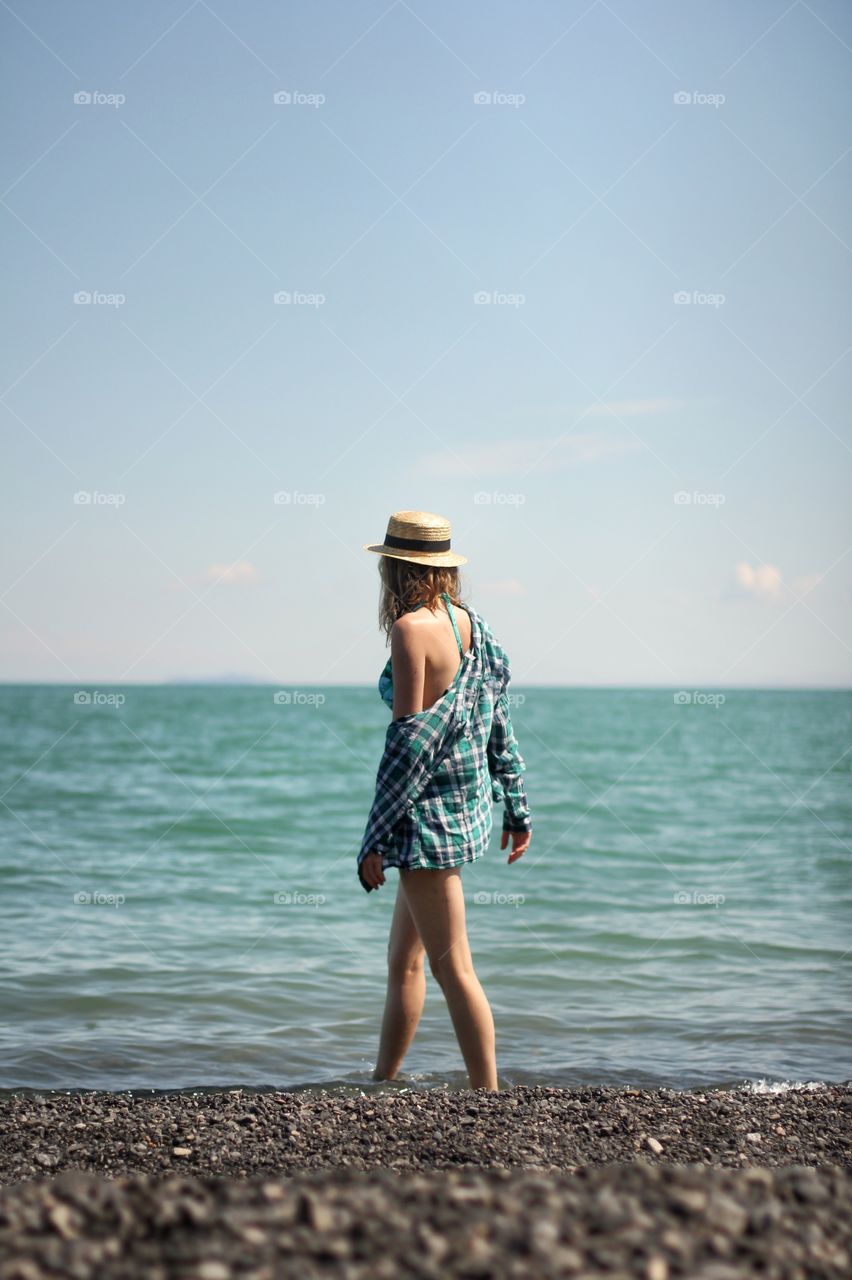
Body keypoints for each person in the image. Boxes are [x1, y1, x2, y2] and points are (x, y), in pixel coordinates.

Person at [357, 509, 533, 1091]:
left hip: (423, 822)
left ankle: (489, 1092)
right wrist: (517, 807)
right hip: (463, 813)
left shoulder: (411, 631)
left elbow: (407, 746)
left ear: (395, 567)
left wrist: (374, 839)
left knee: (453, 968)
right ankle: (383, 1081)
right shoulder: (472, 625)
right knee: (404, 963)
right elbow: (499, 723)